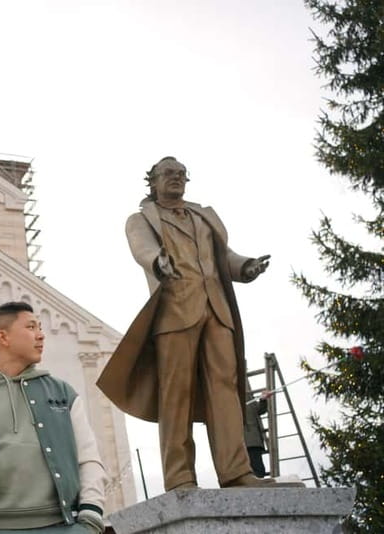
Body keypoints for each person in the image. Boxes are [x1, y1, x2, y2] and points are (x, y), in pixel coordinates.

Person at [97, 156, 278, 491]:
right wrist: (157, 261)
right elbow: (142, 249)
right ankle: (180, 477)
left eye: (182, 174)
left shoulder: (203, 216)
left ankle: (236, 472)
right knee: (175, 394)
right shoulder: (141, 219)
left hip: (217, 310)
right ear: (152, 181)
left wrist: (246, 266)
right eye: (169, 173)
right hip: (175, 313)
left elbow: (223, 256)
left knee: (226, 390)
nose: (177, 178)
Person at [0, 301, 107, 534]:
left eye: (41, 328)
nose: (41, 335)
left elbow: (89, 459)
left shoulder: (63, 393)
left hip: (66, 526)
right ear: (3, 337)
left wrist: (90, 520)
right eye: (31, 327)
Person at [245, 388, 271, 478]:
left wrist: (263, 400)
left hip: (252, 440)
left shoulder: (247, 397)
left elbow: (260, 409)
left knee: (257, 469)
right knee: (254, 470)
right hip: (245, 441)